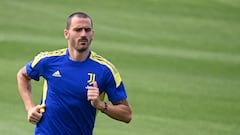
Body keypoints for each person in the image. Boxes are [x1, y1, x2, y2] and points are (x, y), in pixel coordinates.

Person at [17, 11, 132, 135]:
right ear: (67, 34)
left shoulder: (105, 70)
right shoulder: (48, 61)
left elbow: (127, 114)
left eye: (87, 30)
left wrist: (100, 105)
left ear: (92, 34)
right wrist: (30, 108)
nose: (83, 34)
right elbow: (22, 75)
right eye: (78, 30)